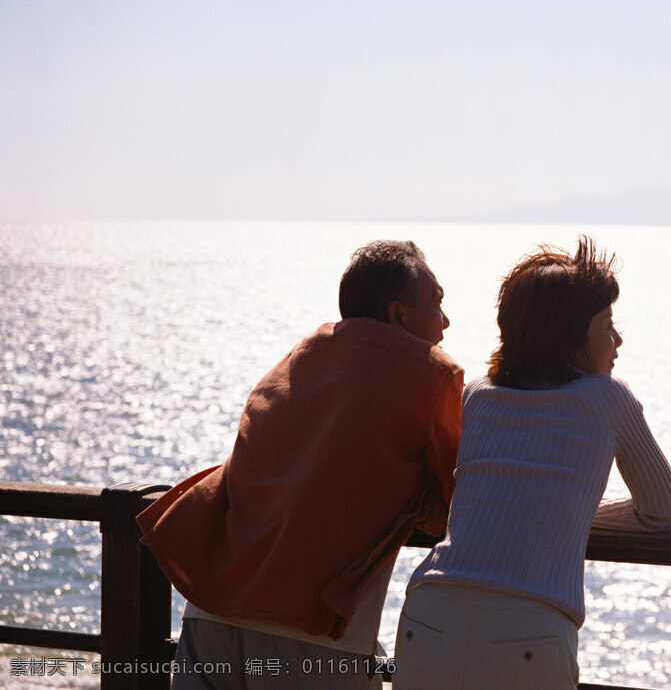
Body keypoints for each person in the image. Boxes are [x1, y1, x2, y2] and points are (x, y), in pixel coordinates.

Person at [137, 241, 462, 688]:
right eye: (438, 302)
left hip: (211, 611)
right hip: (309, 632)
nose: (445, 322)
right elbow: (464, 495)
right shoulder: (432, 375)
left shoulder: (299, 357)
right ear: (398, 314)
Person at [392, 236, 671, 689]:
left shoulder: (479, 395)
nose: (618, 338)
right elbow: (662, 513)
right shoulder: (608, 397)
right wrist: (570, 514)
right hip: (527, 631)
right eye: (606, 323)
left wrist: (559, 511)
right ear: (570, 337)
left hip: (429, 615)